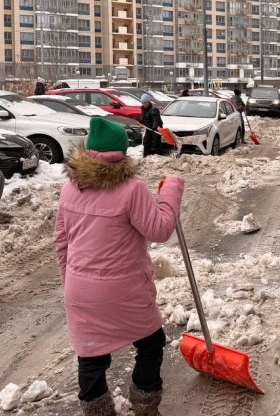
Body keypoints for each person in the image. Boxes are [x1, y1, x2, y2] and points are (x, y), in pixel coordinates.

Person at [54, 116, 184, 416]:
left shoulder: (70, 187)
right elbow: (159, 230)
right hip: (123, 290)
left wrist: (69, 284)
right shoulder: (131, 188)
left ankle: (98, 412)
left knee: (90, 357)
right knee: (151, 342)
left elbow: (61, 242)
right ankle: (145, 406)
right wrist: (171, 192)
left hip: (80, 291)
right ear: (121, 151)